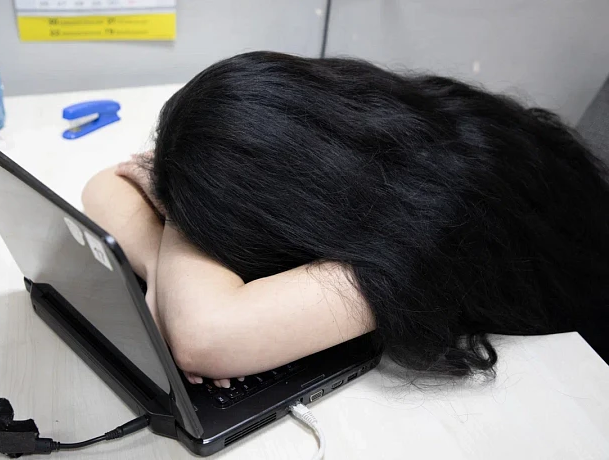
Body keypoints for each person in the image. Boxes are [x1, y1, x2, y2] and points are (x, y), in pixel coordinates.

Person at [82, 51, 609, 388]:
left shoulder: (414, 235)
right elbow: (105, 185)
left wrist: (176, 213)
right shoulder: (331, 130)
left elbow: (204, 339)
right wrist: (164, 270)